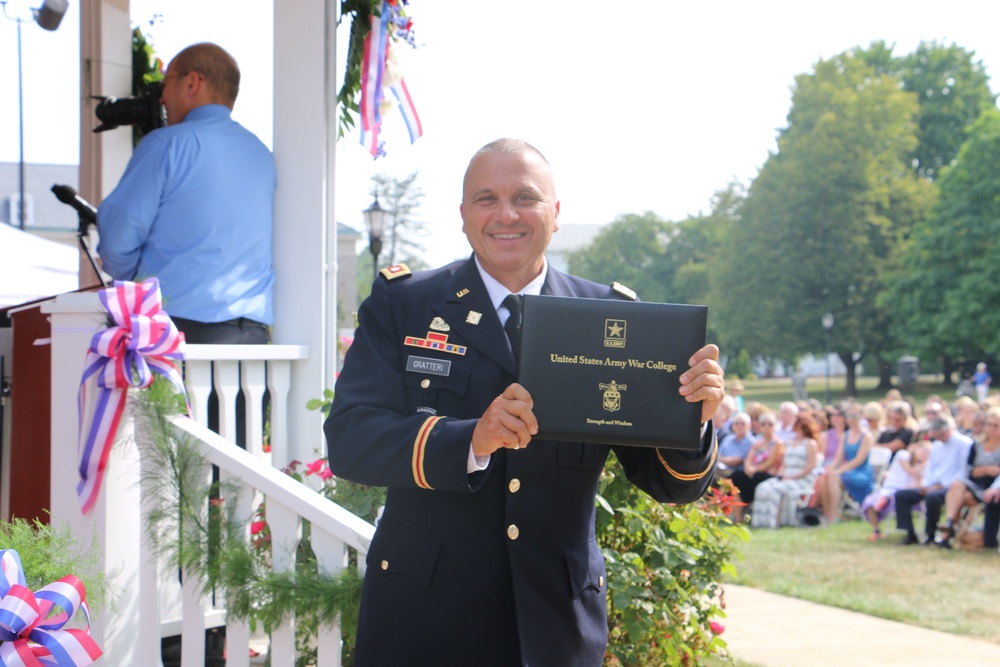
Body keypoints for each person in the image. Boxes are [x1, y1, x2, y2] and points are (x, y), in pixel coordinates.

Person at [323, 139, 724, 667]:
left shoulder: (611, 317)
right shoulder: (404, 305)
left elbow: (668, 483)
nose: (505, 214)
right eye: (486, 199)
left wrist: (691, 419)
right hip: (422, 620)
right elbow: (352, 440)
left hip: (554, 627)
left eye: (526, 197)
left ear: (555, 214)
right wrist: (470, 439)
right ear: (463, 216)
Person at [97, 42, 275, 344]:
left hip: (176, 336)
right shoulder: (262, 154)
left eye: (165, 83)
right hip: (252, 340)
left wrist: (137, 281)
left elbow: (116, 241)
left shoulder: (166, 145)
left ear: (192, 82)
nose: (161, 97)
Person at [895, 416, 974, 546]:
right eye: (936, 436)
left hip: (952, 487)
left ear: (949, 430)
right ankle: (910, 534)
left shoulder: (965, 444)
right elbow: (930, 469)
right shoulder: (937, 446)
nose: (939, 439)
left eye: (941, 435)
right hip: (933, 485)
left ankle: (930, 535)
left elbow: (963, 471)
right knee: (901, 495)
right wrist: (927, 485)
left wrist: (939, 486)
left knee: (933, 497)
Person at [936, 406, 1000, 548]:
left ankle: (949, 533)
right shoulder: (976, 445)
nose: (992, 428)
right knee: (957, 485)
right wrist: (986, 469)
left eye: (996, 425)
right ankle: (950, 524)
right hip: (974, 485)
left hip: (992, 488)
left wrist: (985, 472)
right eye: (989, 424)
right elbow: (969, 471)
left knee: (962, 498)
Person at [751, 413, 819, 528]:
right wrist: (781, 474)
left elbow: (811, 466)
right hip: (785, 476)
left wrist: (793, 476)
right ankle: (760, 522)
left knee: (775, 490)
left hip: (802, 479)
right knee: (762, 488)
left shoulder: (810, 444)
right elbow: (783, 463)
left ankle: (774, 523)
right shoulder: (790, 443)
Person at [813, 406, 874, 523]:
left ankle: (833, 514)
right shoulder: (845, 436)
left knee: (833, 478)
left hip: (861, 473)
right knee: (826, 476)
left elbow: (859, 460)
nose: (851, 419)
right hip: (847, 470)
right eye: (849, 416)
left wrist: (839, 471)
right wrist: (829, 469)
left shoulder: (866, 436)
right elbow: (838, 458)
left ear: (861, 417)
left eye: (854, 416)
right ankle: (827, 513)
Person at [860, 440, 928, 540]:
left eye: (927, 452)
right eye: (923, 449)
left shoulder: (922, 468)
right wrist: (926, 463)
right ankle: (876, 530)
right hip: (888, 491)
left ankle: (908, 533)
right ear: (916, 447)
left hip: (901, 494)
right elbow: (910, 471)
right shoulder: (903, 455)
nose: (924, 453)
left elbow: (919, 483)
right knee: (871, 505)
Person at [730, 411, 784, 524]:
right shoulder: (758, 442)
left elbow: (770, 463)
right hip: (754, 474)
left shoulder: (777, 443)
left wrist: (753, 469)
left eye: (770, 424)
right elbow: (748, 459)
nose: (767, 427)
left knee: (737, 478)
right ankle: (738, 517)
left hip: (768, 474)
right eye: (763, 424)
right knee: (734, 478)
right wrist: (748, 468)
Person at [717, 412, 755, 476]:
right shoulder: (728, 438)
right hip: (721, 470)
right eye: (737, 423)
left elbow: (736, 461)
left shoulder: (752, 442)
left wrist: (722, 459)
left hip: (738, 474)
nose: (739, 426)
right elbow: (717, 456)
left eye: (743, 424)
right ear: (733, 426)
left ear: (749, 426)